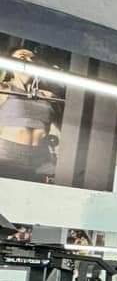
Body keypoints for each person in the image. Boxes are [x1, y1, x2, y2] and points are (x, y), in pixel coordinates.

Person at [0, 47, 61, 182]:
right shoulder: (4, 89)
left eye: (32, 58)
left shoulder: (48, 96)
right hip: (7, 156)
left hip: (40, 160)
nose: (29, 61)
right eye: (22, 57)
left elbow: (65, 130)